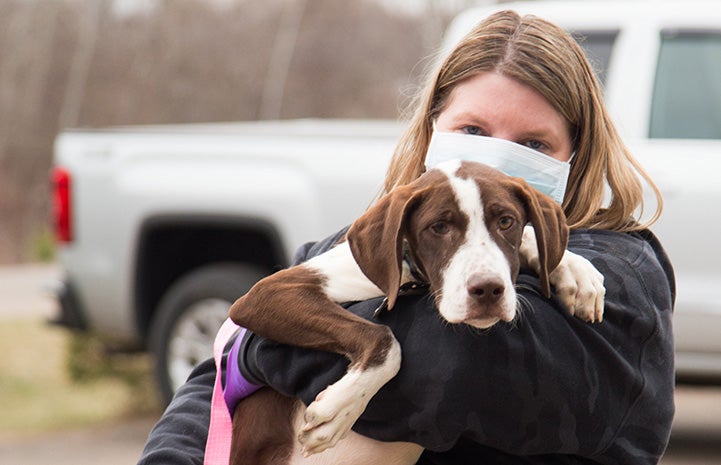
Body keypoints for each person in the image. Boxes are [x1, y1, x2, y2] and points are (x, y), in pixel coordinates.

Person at [137, 9, 675, 465]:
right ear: (432, 126)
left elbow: (454, 366)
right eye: (472, 131)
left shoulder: (621, 273)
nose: (492, 157)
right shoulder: (364, 240)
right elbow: (211, 384)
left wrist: (257, 348)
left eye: (534, 142)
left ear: (576, 154)